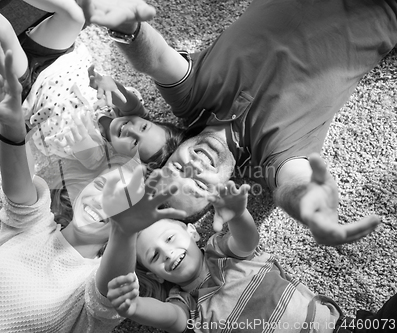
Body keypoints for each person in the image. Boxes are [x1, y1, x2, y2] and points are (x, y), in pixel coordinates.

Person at [0, 32, 187, 332]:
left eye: (119, 203)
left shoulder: (93, 283)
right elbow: (18, 186)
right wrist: (12, 125)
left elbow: (108, 292)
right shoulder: (33, 225)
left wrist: (124, 230)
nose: (102, 202)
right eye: (102, 187)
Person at [81, 0, 397, 245]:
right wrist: (312, 208)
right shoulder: (270, 157)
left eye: (179, 169)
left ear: (171, 154)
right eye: (202, 184)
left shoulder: (192, 100)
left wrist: (128, 30)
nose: (196, 166)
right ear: (224, 188)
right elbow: (295, 183)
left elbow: (159, 60)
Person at [106, 181, 397, 333]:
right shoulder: (184, 305)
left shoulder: (220, 251)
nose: (169, 252)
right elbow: (171, 320)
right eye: (155, 255)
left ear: (191, 233)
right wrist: (135, 308)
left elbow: (247, 241)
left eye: (170, 239)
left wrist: (238, 214)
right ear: (156, 275)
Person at [0, 0, 185, 174]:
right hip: (58, 56)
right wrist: (110, 85)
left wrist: (89, 154)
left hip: (28, 90)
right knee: (74, 15)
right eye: (143, 128)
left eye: (134, 142)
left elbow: (73, 161)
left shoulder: (95, 155)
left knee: (3, 32)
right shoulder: (128, 113)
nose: (131, 129)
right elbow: (134, 107)